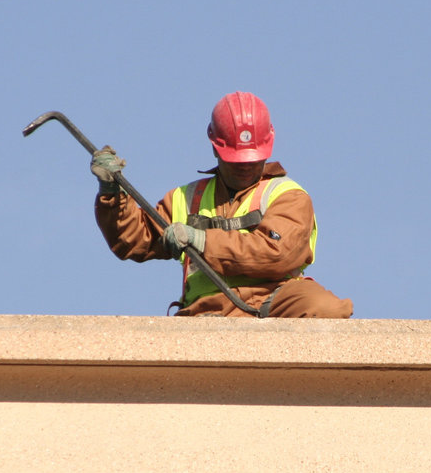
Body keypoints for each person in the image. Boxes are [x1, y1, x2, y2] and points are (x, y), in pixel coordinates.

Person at [92, 91, 352, 318]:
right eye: (236, 160)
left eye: (252, 159)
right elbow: (133, 240)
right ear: (215, 147)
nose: (245, 167)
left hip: (274, 301)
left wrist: (202, 241)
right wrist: (113, 194)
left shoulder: (287, 196)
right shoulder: (186, 198)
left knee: (324, 307)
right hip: (207, 308)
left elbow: (277, 252)